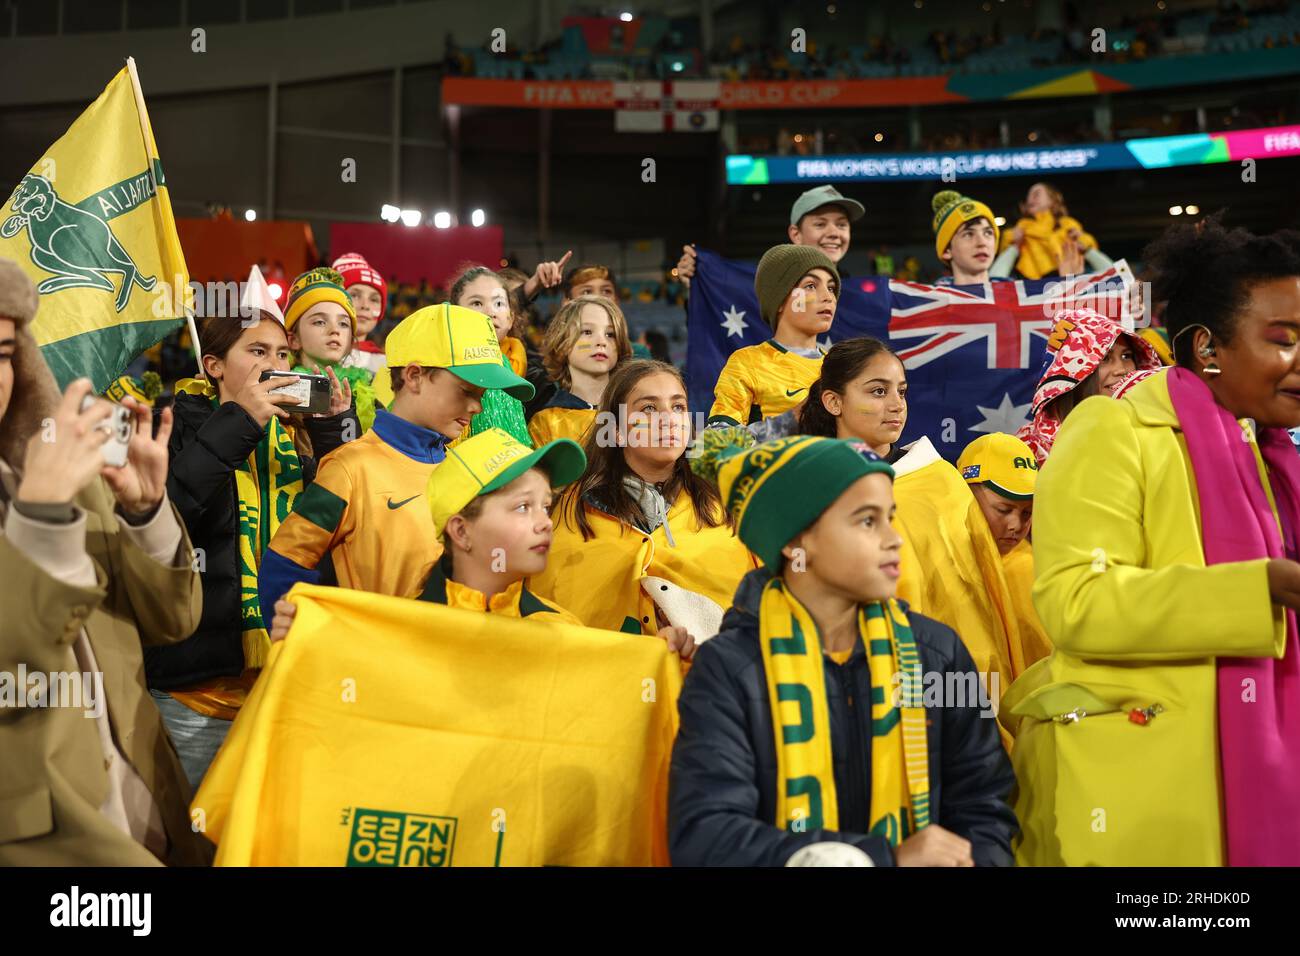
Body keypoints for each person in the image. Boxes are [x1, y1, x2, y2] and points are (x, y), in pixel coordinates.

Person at [1004, 218, 1300, 866]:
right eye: (1283, 340)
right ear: (1206, 348)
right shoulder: (1112, 430)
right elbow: (1075, 600)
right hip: (1150, 818)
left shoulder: (1278, 459)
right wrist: (1261, 591)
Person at [669, 434, 1017, 866]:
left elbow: (985, 805)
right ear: (796, 542)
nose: (895, 539)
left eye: (890, 516)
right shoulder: (728, 668)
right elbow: (707, 837)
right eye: (867, 521)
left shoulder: (938, 652)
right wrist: (882, 859)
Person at [0, 258, 208, 865]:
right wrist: (39, 527)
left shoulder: (67, 473)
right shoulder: (47, 493)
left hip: (148, 806)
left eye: (4, 352)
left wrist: (145, 513)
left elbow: (175, 622)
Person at [146, 305, 355, 788]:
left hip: (285, 685)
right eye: (257, 351)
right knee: (190, 843)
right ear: (214, 365)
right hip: (197, 694)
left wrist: (333, 430)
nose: (274, 364)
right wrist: (241, 421)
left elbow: (344, 526)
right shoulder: (174, 424)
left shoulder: (298, 435)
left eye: (282, 353)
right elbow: (170, 517)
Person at [798, 337, 1030, 718]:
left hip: (967, 684)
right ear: (833, 401)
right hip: (863, 690)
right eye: (877, 391)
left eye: (901, 392)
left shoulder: (940, 478)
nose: (895, 405)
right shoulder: (808, 490)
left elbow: (985, 592)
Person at [258, 303, 533, 619]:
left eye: (482, 395)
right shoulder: (350, 468)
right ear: (414, 376)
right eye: (466, 390)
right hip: (376, 664)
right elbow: (283, 566)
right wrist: (321, 644)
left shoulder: (468, 469)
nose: (477, 407)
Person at [269, 428, 588, 637]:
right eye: (523, 507)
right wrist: (305, 636)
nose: (545, 522)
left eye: (546, 507)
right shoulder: (397, 636)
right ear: (461, 532)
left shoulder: (565, 632)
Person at [529, 360, 755, 650]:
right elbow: (552, 614)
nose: (669, 420)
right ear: (618, 430)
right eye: (649, 408)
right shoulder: (571, 512)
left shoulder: (726, 502)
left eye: (678, 407)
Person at [707, 244, 839, 428]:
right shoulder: (748, 363)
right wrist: (792, 419)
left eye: (831, 288)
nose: (828, 297)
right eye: (810, 285)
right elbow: (716, 443)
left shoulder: (840, 367)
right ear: (779, 299)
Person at [1017, 308, 1163, 465]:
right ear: (1074, 372)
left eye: (1127, 356)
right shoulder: (1028, 449)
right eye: (1105, 358)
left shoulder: (1156, 435)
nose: (1122, 370)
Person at [957, 432, 1052, 669]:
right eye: (1003, 509)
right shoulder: (945, 561)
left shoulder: (1031, 570)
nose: (1016, 526)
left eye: (1027, 513)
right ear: (965, 495)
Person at [675, 184, 864, 290]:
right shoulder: (768, 290)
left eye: (841, 224)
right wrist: (699, 290)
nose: (834, 233)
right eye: (820, 224)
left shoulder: (860, 294)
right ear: (795, 234)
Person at [529, 295, 633, 447]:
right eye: (587, 332)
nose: (601, 342)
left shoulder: (634, 413)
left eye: (610, 334)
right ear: (562, 343)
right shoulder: (545, 423)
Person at [284, 266, 378, 432]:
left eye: (343, 324)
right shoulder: (279, 392)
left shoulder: (370, 396)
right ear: (294, 340)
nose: (335, 330)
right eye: (320, 322)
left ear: (351, 341)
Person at [449, 265, 531, 444]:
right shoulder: (440, 364)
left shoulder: (523, 370)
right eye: (477, 303)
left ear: (510, 318)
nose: (490, 312)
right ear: (454, 314)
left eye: (499, 303)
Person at [999, 181, 1113, 280]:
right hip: (1032, 285)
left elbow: (1088, 244)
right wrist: (1012, 240)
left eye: (1036, 194)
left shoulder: (1067, 224)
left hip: (1068, 277)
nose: (1030, 198)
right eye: (1029, 195)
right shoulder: (1021, 227)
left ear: (1052, 200)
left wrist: (1084, 240)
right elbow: (1004, 255)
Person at [929, 189, 1019, 285]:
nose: (982, 243)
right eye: (968, 234)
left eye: (988, 233)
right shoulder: (932, 298)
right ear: (947, 250)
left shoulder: (1015, 294)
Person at [332, 252, 388, 377]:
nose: (365, 305)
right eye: (355, 295)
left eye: (374, 300)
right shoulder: (312, 354)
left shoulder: (386, 365)